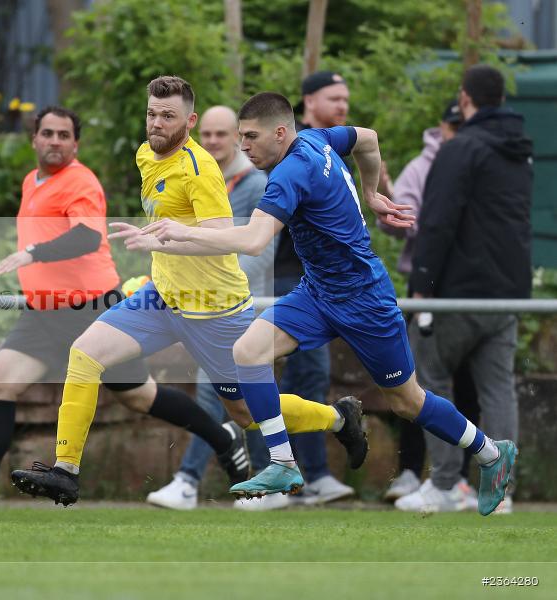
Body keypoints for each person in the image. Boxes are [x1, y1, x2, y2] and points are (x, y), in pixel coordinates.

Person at [139, 90, 516, 517]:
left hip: (364, 299)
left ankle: (490, 453)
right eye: (241, 137)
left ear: (280, 133)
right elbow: (369, 140)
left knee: (406, 401)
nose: (244, 147)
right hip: (317, 292)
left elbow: (254, 239)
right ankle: (283, 464)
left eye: (250, 137)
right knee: (247, 350)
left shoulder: (289, 174)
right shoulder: (317, 138)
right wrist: (371, 194)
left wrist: (182, 232)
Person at [9, 78, 368, 507]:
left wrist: (161, 239)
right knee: (85, 354)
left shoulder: (199, 169)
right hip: (163, 297)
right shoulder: (146, 155)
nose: (156, 124)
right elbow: (172, 222)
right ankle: (66, 472)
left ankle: (337, 418)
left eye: (168, 116)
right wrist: (157, 243)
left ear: (189, 121)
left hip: (214, 309)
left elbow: (219, 234)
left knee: (248, 415)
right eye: (151, 114)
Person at [0, 105, 254, 514]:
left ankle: (223, 438)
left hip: (90, 307)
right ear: (34, 139)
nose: (54, 141)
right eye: (47, 133)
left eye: (63, 135)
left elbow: (85, 237)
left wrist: (32, 254)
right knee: (1, 384)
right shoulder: (33, 181)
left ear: (75, 144)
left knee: (140, 397)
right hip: (44, 312)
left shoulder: (80, 181)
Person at [398, 65, 532, 514]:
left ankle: (445, 483)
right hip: (507, 293)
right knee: (498, 389)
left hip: (457, 292)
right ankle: (501, 491)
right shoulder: (519, 152)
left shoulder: (460, 149)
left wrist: (422, 289)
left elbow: (436, 224)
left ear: (465, 98)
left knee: (428, 376)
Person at [145, 105, 277, 511]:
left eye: (224, 134)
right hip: (192, 300)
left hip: (231, 302)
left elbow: (260, 247)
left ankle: (196, 480)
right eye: (210, 135)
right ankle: (263, 479)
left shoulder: (254, 183)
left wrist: (221, 284)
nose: (215, 141)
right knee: (239, 398)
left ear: (238, 137)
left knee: (227, 393)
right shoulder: (188, 168)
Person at [377, 100, 480, 508]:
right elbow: (401, 221)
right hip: (427, 288)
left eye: (461, 124)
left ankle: (463, 480)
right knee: (414, 385)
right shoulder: (423, 167)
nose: (455, 131)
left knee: (465, 387)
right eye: (451, 125)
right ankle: (415, 474)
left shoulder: (480, 161)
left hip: (468, 288)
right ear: (442, 126)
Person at [277, 71, 354, 506]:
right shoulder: (299, 149)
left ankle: (301, 477)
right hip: (294, 275)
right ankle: (306, 477)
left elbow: (367, 141)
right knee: (306, 373)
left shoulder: (329, 144)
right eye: (334, 97)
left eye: (346, 98)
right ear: (308, 100)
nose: (343, 104)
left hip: (324, 278)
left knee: (303, 375)